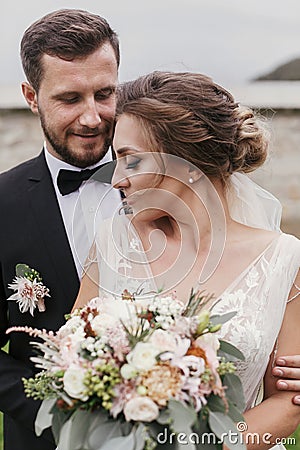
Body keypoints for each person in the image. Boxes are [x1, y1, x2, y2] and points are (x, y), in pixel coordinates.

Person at [73, 71, 300, 448]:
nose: (115, 180)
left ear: (186, 163)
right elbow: (75, 364)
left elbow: (288, 401)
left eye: (130, 160)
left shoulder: (284, 259)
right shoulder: (113, 244)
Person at [0, 9, 121, 450]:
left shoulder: (166, 188)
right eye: (70, 99)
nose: (92, 118)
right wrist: (54, 410)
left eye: (104, 94)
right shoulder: (3, 203)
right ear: (31, 96)